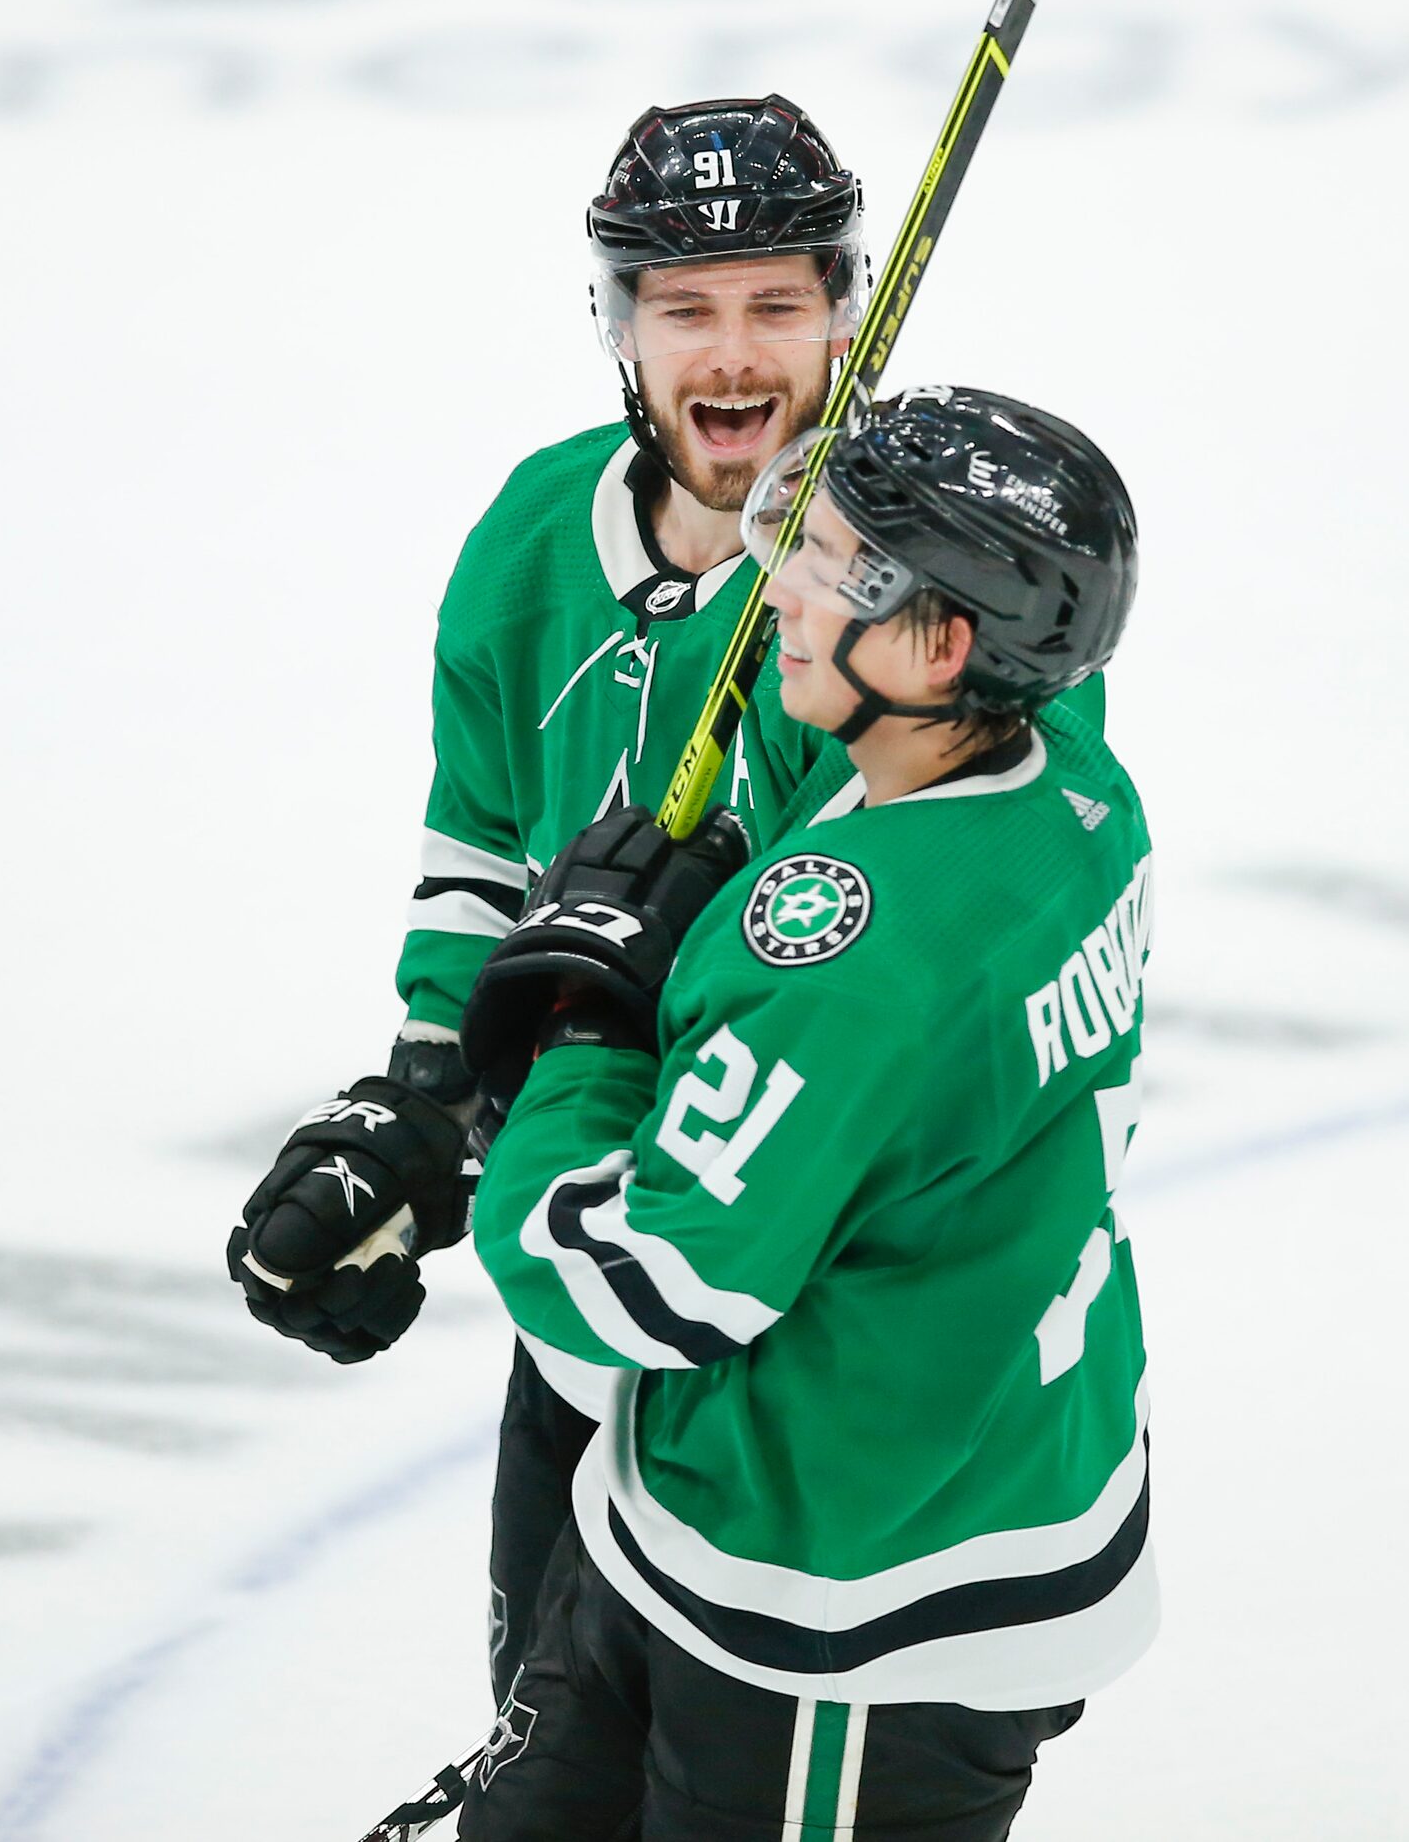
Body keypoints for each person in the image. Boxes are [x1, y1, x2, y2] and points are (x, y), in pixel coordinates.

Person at [452, 384, 1154, 1841]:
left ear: (938, 641)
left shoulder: (852, 961)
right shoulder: (1071, 784)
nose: (773, 586)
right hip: (846, 1484)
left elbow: (652, 1276)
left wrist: (589, 1033)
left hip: (849, 1595)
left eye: (826, 565)